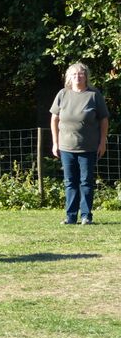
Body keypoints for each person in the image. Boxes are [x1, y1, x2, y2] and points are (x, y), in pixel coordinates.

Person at [50, 62, 109, 225]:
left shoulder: (94, 95)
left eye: (81, 74)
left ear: (86, 76)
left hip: (88, 147)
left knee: (86, 181)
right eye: (74, 74)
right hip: (66, 147)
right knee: (70, 182)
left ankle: (86, 216)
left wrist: (102, 142)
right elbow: (54, 119)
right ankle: (70, 216)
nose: (78, 76)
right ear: (69, 77)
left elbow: (104, 120)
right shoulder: (63, 94)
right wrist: (55, 142)